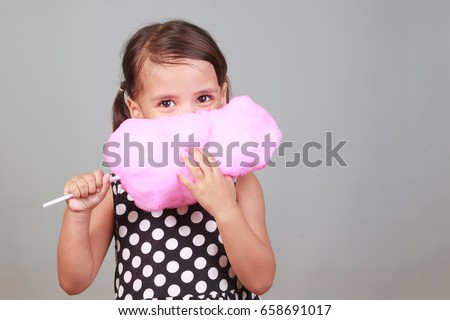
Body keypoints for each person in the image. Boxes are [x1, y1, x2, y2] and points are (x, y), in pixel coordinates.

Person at [57, 20, 276, 300]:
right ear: (135, 109)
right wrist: (77, 214)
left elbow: (261, 280)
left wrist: (224, 208)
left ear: (222, 97)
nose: (188, 116)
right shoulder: (120, 187)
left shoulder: (239, 183)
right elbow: (73, 281)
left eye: (203, 98)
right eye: (167, 103)